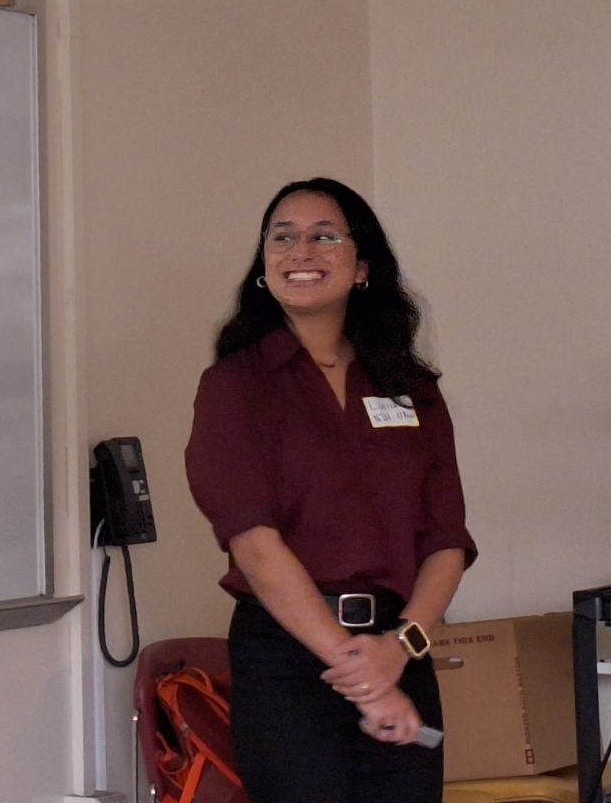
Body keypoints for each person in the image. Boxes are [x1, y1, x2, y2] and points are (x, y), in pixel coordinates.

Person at [184, 177, 476, 803]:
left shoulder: (412, 388)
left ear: (362, 265)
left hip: (400, 647)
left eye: (324, 236)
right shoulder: (236, 385)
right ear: (263, 266)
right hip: (288, 660)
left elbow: (446, 540)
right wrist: (363, 674)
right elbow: (257, 549)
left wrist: (399, 652)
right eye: (282, 238)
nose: (301, 251)